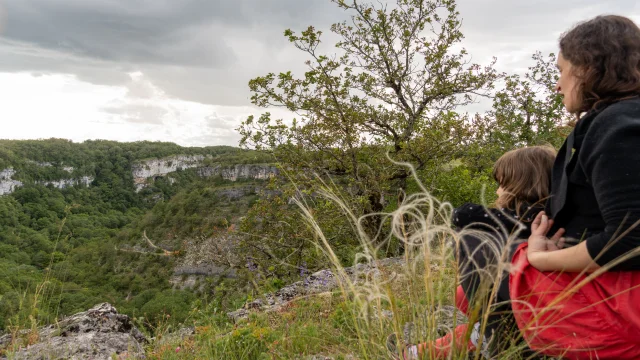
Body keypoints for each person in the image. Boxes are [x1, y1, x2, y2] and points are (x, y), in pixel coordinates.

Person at [508, 15, 640, 359]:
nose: (557, 84)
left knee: (486, 245)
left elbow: (630, 240)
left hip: (618, 309)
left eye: (561, 70)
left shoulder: (618, 125)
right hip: (615, 293)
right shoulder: (617, 120)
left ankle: (493, 341)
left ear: (585, 68)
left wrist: (541, 258)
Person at [388, 145, 556, 359]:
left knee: (469, 311)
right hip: (521, 301)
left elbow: (462, 214)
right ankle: (475, 336)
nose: (497, 191)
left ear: (519, 184)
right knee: (464, 301)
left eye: (501, 184)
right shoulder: (546, 213)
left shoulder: (532, 216)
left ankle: (417, 353)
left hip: (524, 307)